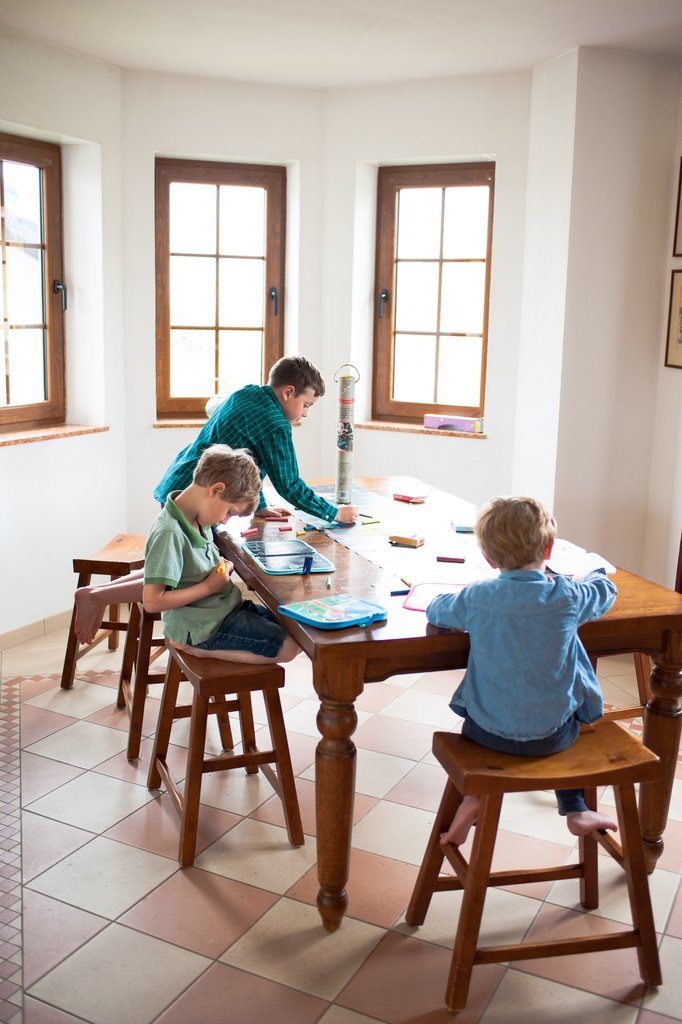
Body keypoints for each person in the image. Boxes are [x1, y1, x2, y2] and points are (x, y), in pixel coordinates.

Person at [74, 355, 356, 644]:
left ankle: (95, 595)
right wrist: (334, 513)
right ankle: (101, 599)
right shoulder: (275, 423)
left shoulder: (247, 394)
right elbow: (291, 485)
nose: (305, 413)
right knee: (184, 574)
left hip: (184, 483)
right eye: (306, 404)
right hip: (203, 497)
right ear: (287, 393)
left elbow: (245, 458)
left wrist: (259, 505)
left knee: (173, 567)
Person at [426, 495, 618, 846]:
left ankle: (474, 796)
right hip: (552, 738)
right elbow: (604, 593)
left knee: (493, 701)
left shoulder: (478, 596)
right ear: (549, 550)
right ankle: (575, 808)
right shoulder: (568, 595)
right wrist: (596, 571)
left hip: (483, 733)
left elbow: (437, 611)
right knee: (568, 707)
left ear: (487, 557)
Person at [143, 444, 300, 664]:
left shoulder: (197, 516)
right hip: (201, 626)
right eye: (229, 512)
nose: (225, 520)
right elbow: (151, 601)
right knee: (289, 647)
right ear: (216, 490)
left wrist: (219, 568)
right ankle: (200, 650)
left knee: (298, 631)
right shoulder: (169, 532)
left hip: (220, 610)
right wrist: (209, 586)